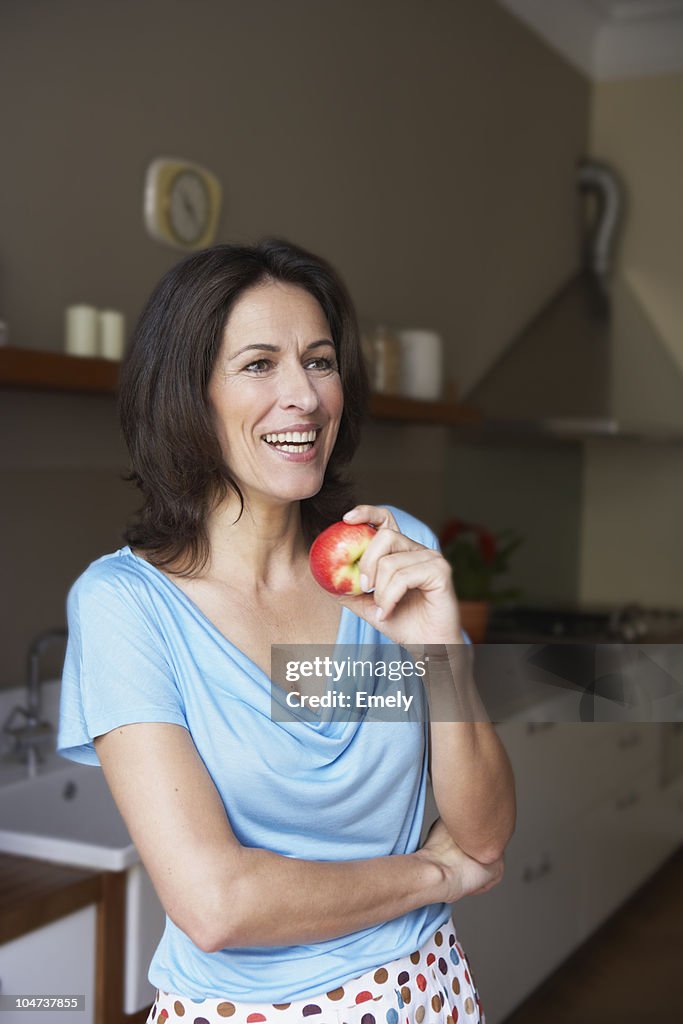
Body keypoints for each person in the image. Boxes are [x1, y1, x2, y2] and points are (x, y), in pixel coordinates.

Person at [57, 239, 516, 1024]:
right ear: (187, 393)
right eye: (259, 364)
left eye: (320, 360)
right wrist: (431, 878)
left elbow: (482, 835)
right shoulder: (124, 605)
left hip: (429, 992)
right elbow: (217, 905)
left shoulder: (389, 552)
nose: (303, 395)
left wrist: (439, 656)